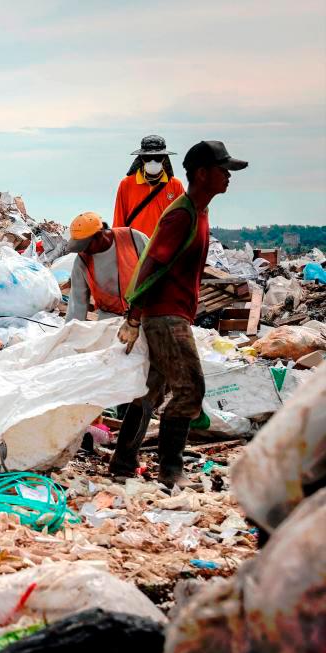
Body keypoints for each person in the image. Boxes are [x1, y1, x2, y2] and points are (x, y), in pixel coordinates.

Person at [111, 140, 248, 489]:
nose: (228, 177)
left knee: (150, 392)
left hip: (174, 312)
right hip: (165, 315)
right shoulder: (182, 214)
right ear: (201, 174)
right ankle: (170, 468)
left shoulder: (198, 211)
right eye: (223, 170)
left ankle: (123, 461)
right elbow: (149, 265)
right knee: (190, 389)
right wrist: (134, 316)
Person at [65, 212, 148, 322]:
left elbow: (158, 271)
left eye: (86, 246)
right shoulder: (82, 262)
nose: (84, 251)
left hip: (145, 315)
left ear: (99, 235)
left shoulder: (133, 238)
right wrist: (70, 332)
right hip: (109, 320)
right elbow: (77, 302)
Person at [113, 135, 185, 237]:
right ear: (141, 159)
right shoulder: (126, 184)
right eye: (147, 157)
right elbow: (118, 221)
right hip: (135, 246)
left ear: (164, 159)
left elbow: (182, 222)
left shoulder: (175, 185)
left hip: (164, 246)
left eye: (158, 157)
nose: (153, 161)